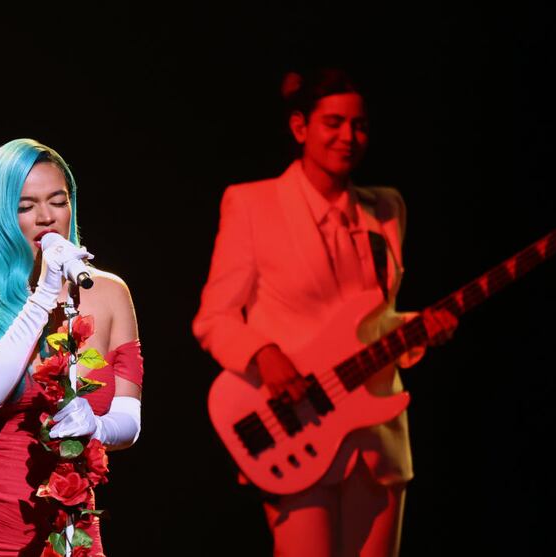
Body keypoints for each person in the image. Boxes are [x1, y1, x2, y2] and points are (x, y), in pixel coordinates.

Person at [192, 68, 458, 557]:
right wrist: (264, 354)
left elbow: (374, 321)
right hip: (298, 426)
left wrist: (417, 330)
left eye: (359, 125)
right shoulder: (253, 203)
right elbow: (214, 318)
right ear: (300, 128)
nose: (348, 137)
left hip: (379, 436)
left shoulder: (387, 208)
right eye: (333, 122)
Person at [0, 138, 144, 557]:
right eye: (25, 206)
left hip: (68, 530)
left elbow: (129, 418)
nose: (47, 218)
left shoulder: (108, 292)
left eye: (58, 200)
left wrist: (97, 427)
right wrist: (42, 296)